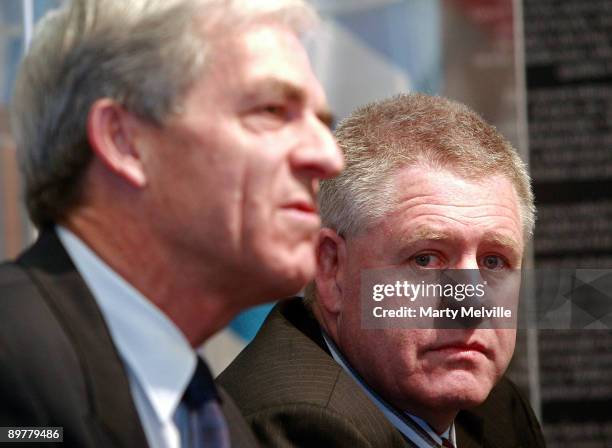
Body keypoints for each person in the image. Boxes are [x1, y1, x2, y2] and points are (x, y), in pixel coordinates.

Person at [0, 0, 343, 446]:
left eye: (321, 122)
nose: (329, 158)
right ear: (126, 141)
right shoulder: (12, 363)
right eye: (273, 111)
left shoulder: (217, 420)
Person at [218, 94, 546, 447]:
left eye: (494, 262)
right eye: (426, 260)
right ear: (331, 269)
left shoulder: (494, 410)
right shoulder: (299, 426)